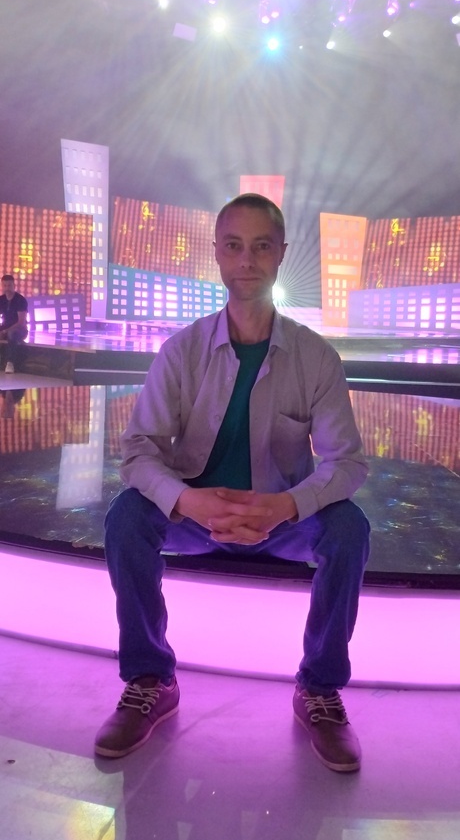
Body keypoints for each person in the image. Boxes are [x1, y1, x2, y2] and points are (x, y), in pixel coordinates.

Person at [96, 194, 370, 771]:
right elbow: (139, 450)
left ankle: (319, 688)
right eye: (234, 246)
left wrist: (285, 506)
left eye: (261, 246)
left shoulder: (316, 358)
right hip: (195, 517)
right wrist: (187, 499)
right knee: (126, 518)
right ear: (218, 254)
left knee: (349, 528)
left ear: (281, 254)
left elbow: (347, 463)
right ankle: (151, 679)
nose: (247, 260)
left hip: (280, 522)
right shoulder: (182, 351)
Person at [0, 275, 28, 374]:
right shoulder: (1, 299)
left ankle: (10, 363)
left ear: (14, 286)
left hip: (20, 329)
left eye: (9, 285)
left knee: (11, 333)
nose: (7, 288)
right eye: (5, 285)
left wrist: (5, 331)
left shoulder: (20, 300)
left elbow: (21, 322)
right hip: (5, 327)